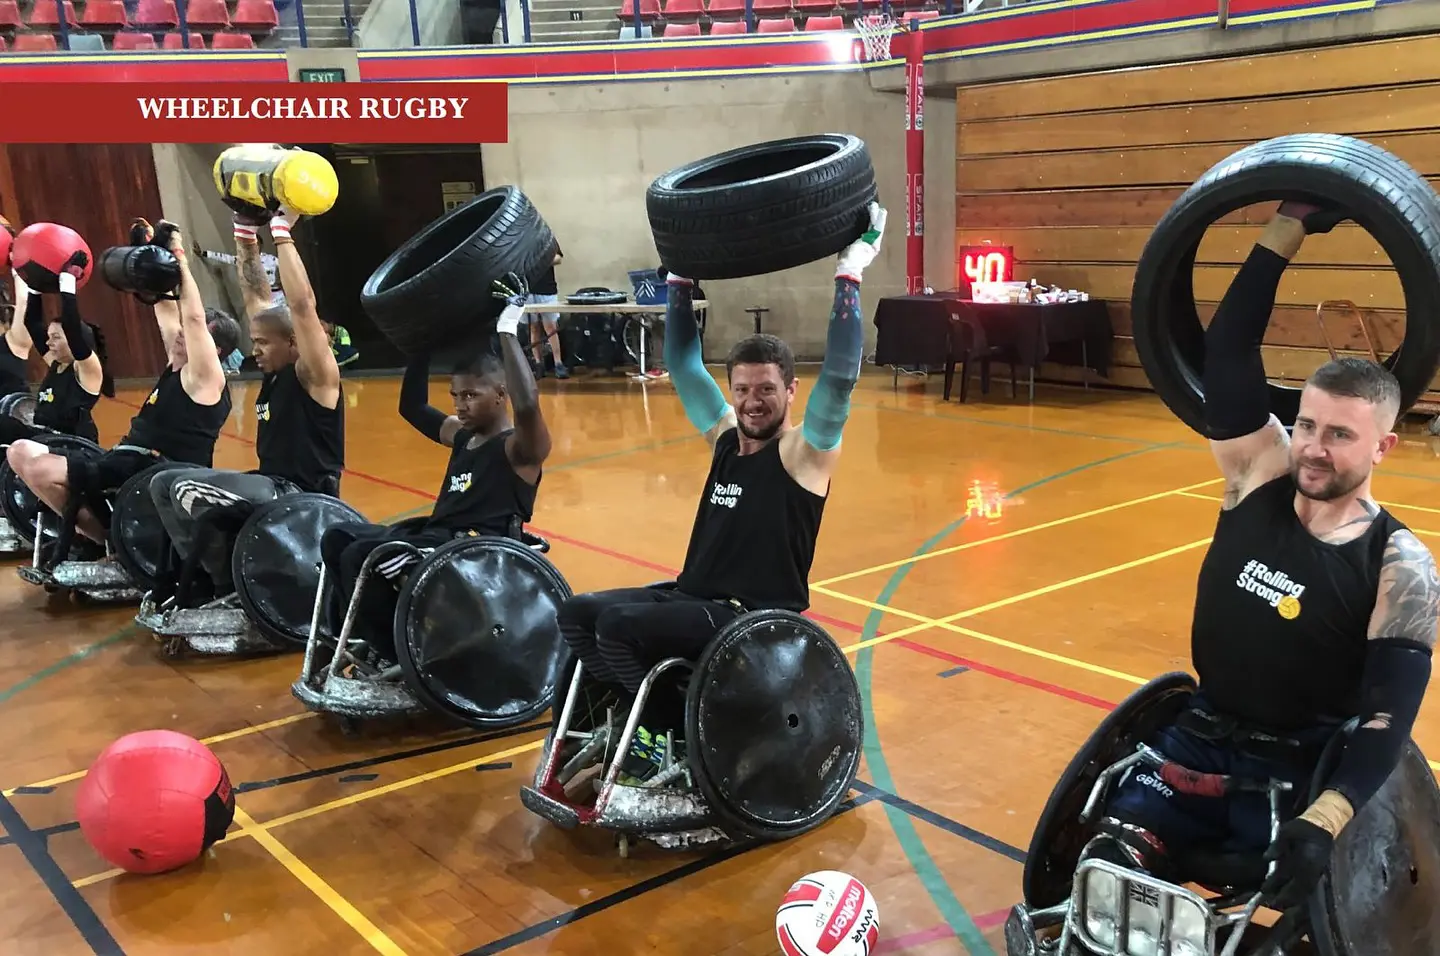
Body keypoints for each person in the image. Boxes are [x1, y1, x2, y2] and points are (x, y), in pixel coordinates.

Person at [1090, 202, 1438, 920]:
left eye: (1340, 434)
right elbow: (1227, 352)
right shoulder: (1259, 477)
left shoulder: (1401, 565)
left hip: (1296, 767)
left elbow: (1385, 723)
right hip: (1198, 741)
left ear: (1382, 448)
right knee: (1107, 873)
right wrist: (1288, 225)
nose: (1312, 446)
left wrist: (1329, 820)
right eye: (1307, 424)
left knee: (1266, 914)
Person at [555, 202, 886, 780]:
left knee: (618, 628)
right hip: (694, 599)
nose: (752, 401)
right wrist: (679, 279)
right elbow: (682, 364)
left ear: (791, 390)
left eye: (766, 390)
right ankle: (632, 720)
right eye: (742, 389)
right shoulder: (726, 440)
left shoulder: (804, 454)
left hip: (751, 615)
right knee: (579, 613)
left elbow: (841, 374)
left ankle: (662, 734)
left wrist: (849, 272)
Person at [319, 272, 550, 662]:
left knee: (364, 557)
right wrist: (419, 346)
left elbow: (528, 406)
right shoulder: (462, 436)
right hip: (436, 536)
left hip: (477, 549)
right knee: (337, 537)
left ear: (501, 394)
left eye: (471, 395)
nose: (460, 404)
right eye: (456, 396)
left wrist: (508, 328)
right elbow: (412, 407)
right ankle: (350, 636)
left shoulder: (519, 448)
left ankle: (398, 655)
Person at [146, 207, 344, 610]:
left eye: (263, 342)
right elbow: (255, 294)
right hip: (269, 482)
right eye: (254, 340)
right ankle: (218, 581)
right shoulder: (273, 368)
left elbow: (302, 306)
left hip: (302, 495)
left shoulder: (316, 375)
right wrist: (245, 235)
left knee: (186, 488)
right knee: (161, 483)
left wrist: (282, 232)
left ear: (294, 343)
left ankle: (234, 591)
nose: (254, 348)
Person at [7, 218, 237, 553]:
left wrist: (179, 257)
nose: (180, 337)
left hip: (160, 468)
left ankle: (113, 547)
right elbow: (165, 307)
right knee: (20, 452)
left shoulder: (205, 378)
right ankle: (108, 538)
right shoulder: (179, 362)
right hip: (126, 458)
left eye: (190, 337)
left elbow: (193, 318)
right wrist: (152, 256)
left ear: (215, 351)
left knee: (41, 470)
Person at [0, 269, 114, 448]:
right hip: (45, 437)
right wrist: (34, 286)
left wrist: (67, 281)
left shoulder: (86, 368)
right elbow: (32, 322)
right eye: (49, 336)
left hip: (72, 444)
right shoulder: (56, 363)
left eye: (56, 337)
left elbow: (72, 328)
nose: (48, 342)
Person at [527, 242, 568, 379]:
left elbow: (558, 258)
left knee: (550, 327)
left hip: (547, 289)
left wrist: (539, 262)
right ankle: (538, 364)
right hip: (527, 289)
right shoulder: (519, 236)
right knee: (533, 328)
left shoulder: (546, 237)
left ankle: (558, 363)